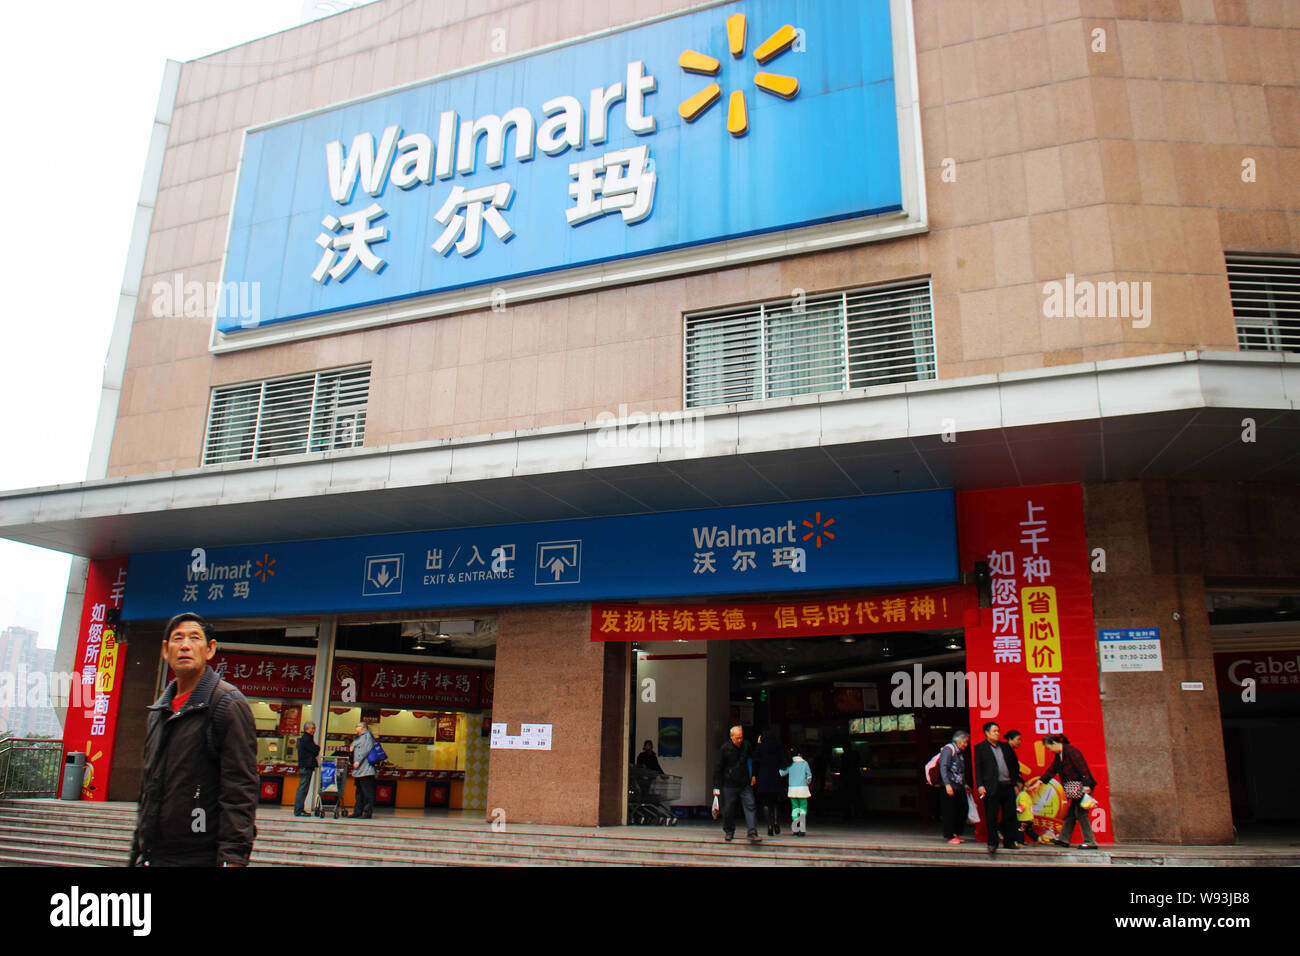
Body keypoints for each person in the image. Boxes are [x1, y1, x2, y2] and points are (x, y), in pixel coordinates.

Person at [129, 613, 258, 866]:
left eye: (194, 638)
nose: (185, 645)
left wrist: (233, 859)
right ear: (166, 651)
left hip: (200, 857)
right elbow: (148, 790)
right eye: (177, 638)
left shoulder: (226, 705)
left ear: (210, 649)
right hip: (154, 855)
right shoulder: (159, 712)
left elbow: (240, 789)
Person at [1039, 734, 1098, 849]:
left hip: (1083, 787)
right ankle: (1063, 840)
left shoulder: (1071, 751)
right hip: (1076, 788)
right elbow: (1052, 769)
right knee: (1071, 814)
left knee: (1081, 814)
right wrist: (1040, 781)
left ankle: (1090, 842)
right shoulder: (1060, 755)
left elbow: (1082, 767)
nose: (1049, 750)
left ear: (1054, 743)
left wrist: (1086, 785)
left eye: (1048, 747)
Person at [972, 721, 1022, 855]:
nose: (997, 733)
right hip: (991, 787)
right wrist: (980, 785)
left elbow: (1014, 765)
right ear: (987, 733)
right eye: (994, 731)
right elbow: (978, 768)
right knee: (991, 816)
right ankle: (992, 843)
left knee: (1010, 815)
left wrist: (1015, 782)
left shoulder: (1005, 747)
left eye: (998, 731)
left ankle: (1009, 841)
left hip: (1007, 785)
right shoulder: (980, 748)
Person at [711, 725, 761, 845]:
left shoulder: (746, 745)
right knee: (728, 808)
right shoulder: (725, 749)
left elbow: (752, 759)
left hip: (744, 782)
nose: (740, 740)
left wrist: (753, 775)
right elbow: (718, 768)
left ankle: (752, 832)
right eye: (737, 738)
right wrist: (716, 786)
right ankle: (729, 831)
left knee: (750, 805)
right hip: (729, 783)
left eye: (741, 737)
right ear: (731, 737)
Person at [938, 729, 971, 844]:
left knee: (961, 810)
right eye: (965, 742)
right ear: (958, 740)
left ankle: (956, 833)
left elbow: (960, 771)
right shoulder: (949, 749)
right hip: (950, 786)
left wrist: (965, 784)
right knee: (949, 812)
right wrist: (947, 785)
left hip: (959, 787)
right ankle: (949, 835)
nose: (966, 745)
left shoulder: (959, 753)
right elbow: (944, 767)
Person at [755, 731, 788, 836]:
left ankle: (769, 825)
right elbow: (784, 761)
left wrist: (758, 744)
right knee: (774, 802)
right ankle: (775, 822)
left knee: (765, 802)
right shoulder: (778, 746)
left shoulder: (761, 747)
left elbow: (755, 757)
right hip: (775, 775)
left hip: (764, 776)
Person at [779, 747, 813, 835]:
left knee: (794, 808)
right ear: (800, 754)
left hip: (792, 790)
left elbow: (782, 773)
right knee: (803, 808)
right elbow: (809, 777)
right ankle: (801, 828)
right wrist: (807, 782)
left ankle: (795, 828)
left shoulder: (790, 764)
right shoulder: (805, 763)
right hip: (803, 790)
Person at [351, 722, 378, 818]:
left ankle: (367, 812)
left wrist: (358, 761)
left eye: (357, 726)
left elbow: (365, 750)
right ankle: (357, 811)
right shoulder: (359, 737)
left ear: (363, 728)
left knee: (367, 791)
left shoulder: (367, 737)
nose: (356, 728)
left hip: (366, 769)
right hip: (359, 770)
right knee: (359, 791)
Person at [293, 721, 320, 817]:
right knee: (303, 788)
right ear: (307, 729)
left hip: (304, 766)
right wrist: (317, 747)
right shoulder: (307, 739)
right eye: (312, 728)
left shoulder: (305, 739)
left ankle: (299, 809)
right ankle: (298, 810)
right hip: (306, 766)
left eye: (314, 728)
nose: (314, 730)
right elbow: (315, 749)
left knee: (303, 788)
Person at [1013, 780, 1037, 846]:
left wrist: (1018, 810)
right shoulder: (1026, 795)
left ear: (1017, 788)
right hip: (1029, 817)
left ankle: (1020, 843)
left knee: (1020, 829)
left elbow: (1023, 805)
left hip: (1023, 818)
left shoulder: (1021, 796)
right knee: (1029, 830)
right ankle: (1037, 838)